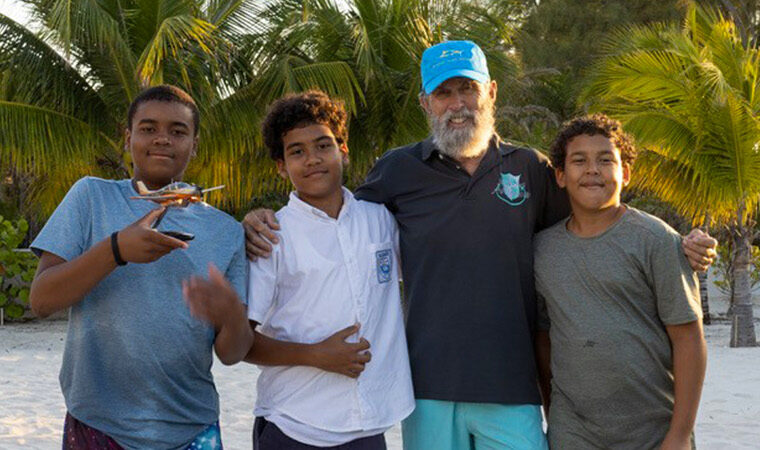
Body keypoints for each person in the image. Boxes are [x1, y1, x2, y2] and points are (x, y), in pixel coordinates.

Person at [243, 41, 717, 450]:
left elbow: (594, 214)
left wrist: (682, 243)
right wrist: (259, 219)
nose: (458, 104)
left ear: (491, 92)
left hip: (512, 384)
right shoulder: (397, 170)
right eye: (444, 93)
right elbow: (333, 216)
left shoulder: (530, 167)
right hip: (426, 387)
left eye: (467, 89)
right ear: (426, 103)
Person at [29, 85, 252, 450]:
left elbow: (232, 354)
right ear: (128, 136)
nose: (162, 139)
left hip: (192, 427)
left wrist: (232, 316)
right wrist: (116, 249)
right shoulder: (91, 197)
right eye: (148, 128)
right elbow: (41, 300)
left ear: (195, 144)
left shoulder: (226, 230)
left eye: (178, 131)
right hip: (97, 423)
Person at [234, 90, 414, 449]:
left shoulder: (381, 220)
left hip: (370, 424)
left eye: (322, 146)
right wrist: (314, 355)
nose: (312, 159)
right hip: (294, 423)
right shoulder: (271, 237)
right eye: (296, 151)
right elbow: (241, 343)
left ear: (342, 150)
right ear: (281, 166)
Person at [534, 114, 706, 449]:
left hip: (652, 429)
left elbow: (688, 338)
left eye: (605, 160)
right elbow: (544, 339)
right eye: (579, 161)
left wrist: (680, 434)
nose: (592, 170)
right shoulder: (542, 250)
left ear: (625, 173)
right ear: (560, 175)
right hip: (574, 431)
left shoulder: (656, 239)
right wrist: (553, 414)